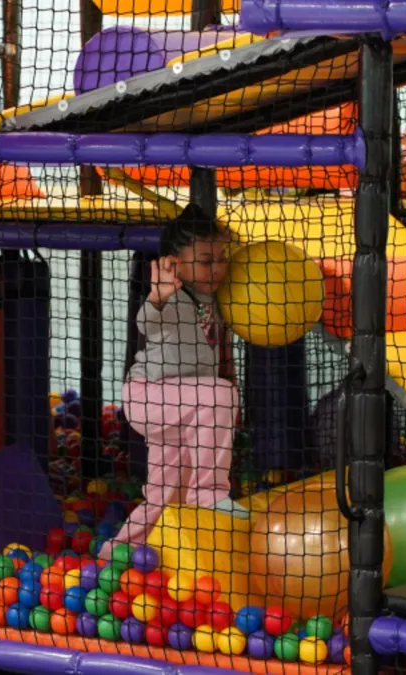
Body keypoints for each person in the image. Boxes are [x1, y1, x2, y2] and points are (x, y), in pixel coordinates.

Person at [104, 204, 242, 556]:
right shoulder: (173, 297)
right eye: (206, 261)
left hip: (183, 411)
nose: (217, 268)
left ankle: (114, 554)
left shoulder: (216, 301)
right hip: (149, 397)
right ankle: (209, 494)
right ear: (175, 265)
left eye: (221, 258)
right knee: (220, 395)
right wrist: (158, 296)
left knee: (165, 494)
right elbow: (146, 321)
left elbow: (220, 358)